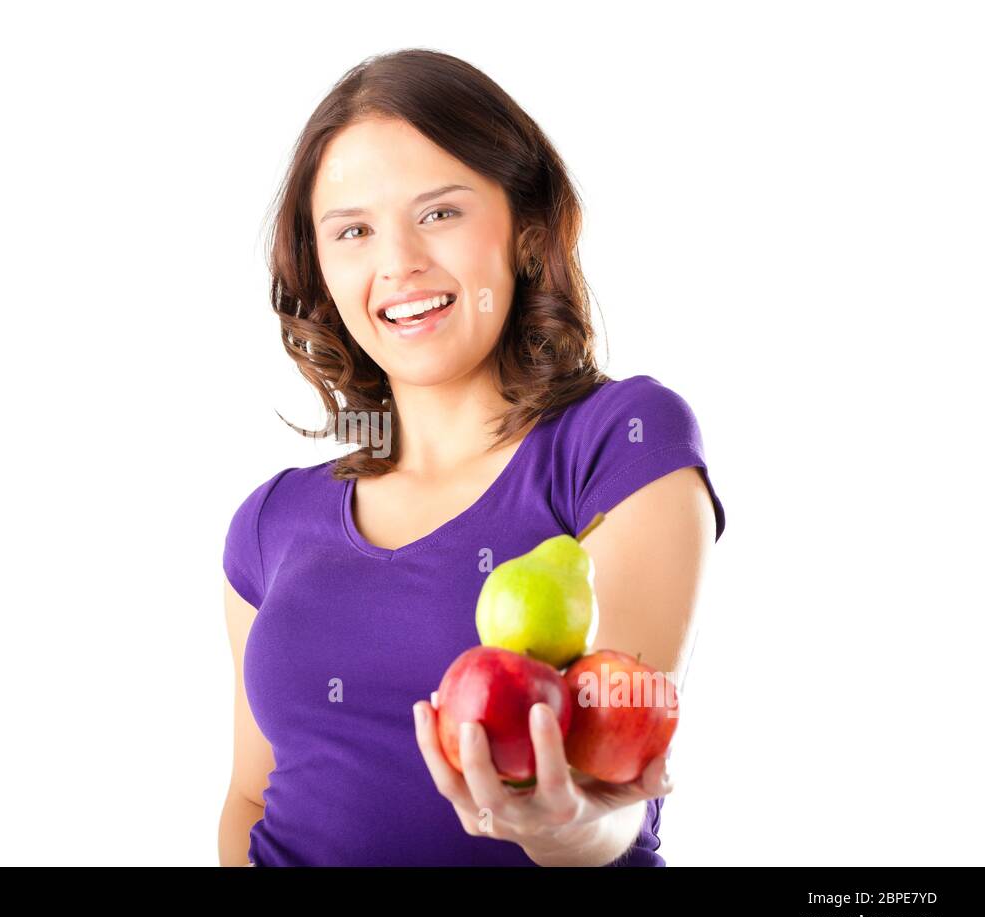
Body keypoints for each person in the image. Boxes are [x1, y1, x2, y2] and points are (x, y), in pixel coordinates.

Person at [219, 49, 725, 867]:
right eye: (353, 230)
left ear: (526, 228)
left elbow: (606, 791)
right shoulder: (269, 522)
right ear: (319, 265)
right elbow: (249, 796)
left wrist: (558, 828)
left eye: (440, 214)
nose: (399, 263)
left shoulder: (620, 443)